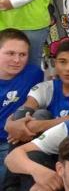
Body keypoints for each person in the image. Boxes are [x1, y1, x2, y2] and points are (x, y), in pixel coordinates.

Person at [5, 39, 69, 143]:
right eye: (62, 62)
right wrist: (10, 124)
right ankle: (15, 157)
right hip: (48, 148)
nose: (68, 68)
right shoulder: (46, 87)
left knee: (38, 118)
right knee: (35, 115)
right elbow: (25, 109)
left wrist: (41, 125)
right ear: (55, 63)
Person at [0, 29, 43, 184]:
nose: (17, 60)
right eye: (10, 53)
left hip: (15, 143)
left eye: (22, 55)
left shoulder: (34, 74)